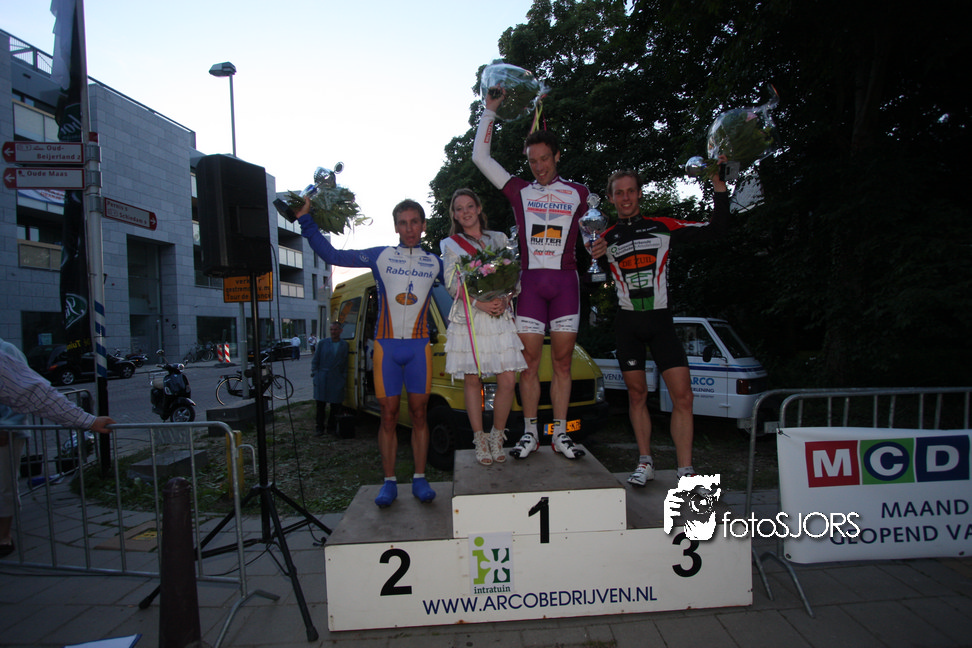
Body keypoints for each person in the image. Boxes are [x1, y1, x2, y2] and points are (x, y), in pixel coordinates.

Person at [297, 198, 444, 507]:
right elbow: (333, 255)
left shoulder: (436, 262)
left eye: (414, 222)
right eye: (403, 223)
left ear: (423, 225)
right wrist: (306, 221)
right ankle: (389, 482)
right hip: (386, 347)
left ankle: (420, 478)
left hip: (418, 347)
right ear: (396, 227)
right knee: (388, 416)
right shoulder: (381, 256)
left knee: (419, 414)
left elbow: (466, 285)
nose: (409, 228)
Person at [590, 162, 729, 485]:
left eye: (630, 191)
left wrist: (719, 186)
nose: (626, 198)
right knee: (637, 395)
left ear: (639, 194)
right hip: (627, 325)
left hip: (662, 322)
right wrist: (593, 256)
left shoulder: (662, 226)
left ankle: (686, 470)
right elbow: (591, 282)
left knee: (684, 396)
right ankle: (645, 462)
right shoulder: (604, 238)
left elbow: (716, 229)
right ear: (611, 198)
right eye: (619, 193)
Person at [472, 88, 589, 461]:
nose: (539, 167)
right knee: (529, 365)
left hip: (566, 284)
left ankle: (560, 435)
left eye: (545, 159)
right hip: (532, 286)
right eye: (533, 161)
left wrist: (600, 245)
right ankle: (530, 434)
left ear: (557, 156)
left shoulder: (580, 193)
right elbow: (480, 157)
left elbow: (597, 233)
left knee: (563, 363)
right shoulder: (519, 191)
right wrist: (490, 110)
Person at [0, 338, 115, 557]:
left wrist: (87, 421)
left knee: (4, 486)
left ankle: (3, 535)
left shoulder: (5, 353)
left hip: (7, 432)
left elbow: (33, 392)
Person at [440, 188, 527, 466]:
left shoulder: (499, 239)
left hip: (499, 314)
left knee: (508, 380)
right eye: (459, 209)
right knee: (472, 380)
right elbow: (451, 283)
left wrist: (506, 297)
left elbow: (513, 275)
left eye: (469, 206)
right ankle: (479, 439)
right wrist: (479, 303)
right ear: (455, 215)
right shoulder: (451, 245)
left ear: (478, 208)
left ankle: (497, 436)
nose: (465, 212)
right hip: (471, 315)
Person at [311, 322, 348, 436]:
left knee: (335, 405)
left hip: (336, 378)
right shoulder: (323, 343)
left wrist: (343, 377)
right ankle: (319, 428)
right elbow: (315, 360)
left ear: (340, 331)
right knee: (320, 405)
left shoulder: (344, 345)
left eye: (335, 329)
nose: (333, 332)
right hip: (322, 377)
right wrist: (316, 375)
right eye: (331, 329)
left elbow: (345, 363)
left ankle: (331, 427)